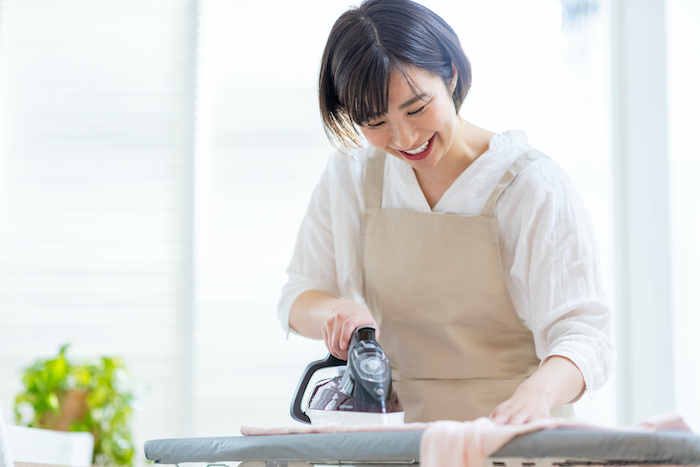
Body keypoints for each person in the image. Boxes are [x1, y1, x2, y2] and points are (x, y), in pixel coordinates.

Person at [278, 0, 613, 425]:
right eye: (375, 122)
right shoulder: (352, 176)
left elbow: (584, 337)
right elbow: (299, 295)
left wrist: (536, 396)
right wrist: (339, 313)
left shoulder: (532, 186)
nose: (405, 138)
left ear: (451, 73)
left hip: (512, 436)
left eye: (417, 108)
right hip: (396, 442)